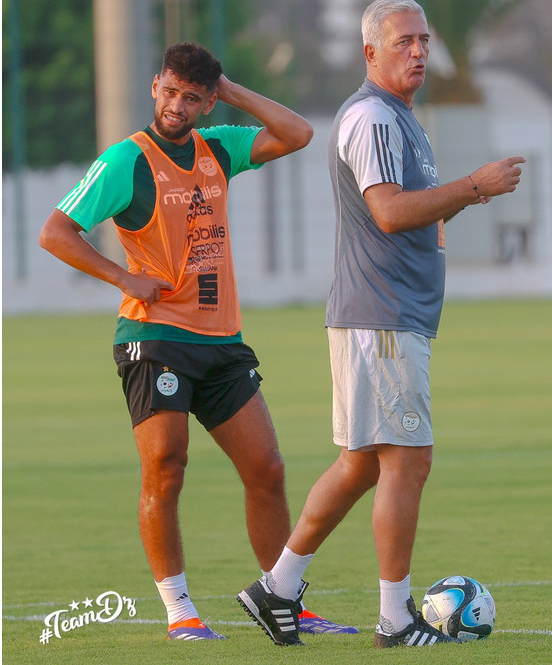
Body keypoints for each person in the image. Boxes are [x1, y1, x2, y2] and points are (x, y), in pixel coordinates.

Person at [38, 43, 354, 641]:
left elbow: (298, 132)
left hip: (221, 339)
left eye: (192, 97)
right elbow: (56, 231)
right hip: (154, 337)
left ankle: (282, 597)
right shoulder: (125, 161)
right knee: (166, 468)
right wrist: (124, 276)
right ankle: (179, 610)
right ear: (155, 85)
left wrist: (230, 90)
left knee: (267, 467)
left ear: (206, 102)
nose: (176, 105)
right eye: (170, 90)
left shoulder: (219, 146)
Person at [237, 0, 525, 648]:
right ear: (370, 53)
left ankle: (277, 586)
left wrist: (456, 205)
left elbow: (410, 215)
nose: (419, 50)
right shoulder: (372, 117)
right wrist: (475, 186)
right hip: (382, 318)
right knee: (408, 461)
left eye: (423, 39)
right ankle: (395, 619)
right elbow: (390, 213)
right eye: (403, 42)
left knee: (363, 463)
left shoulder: (401, 119)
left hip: (388, 317)